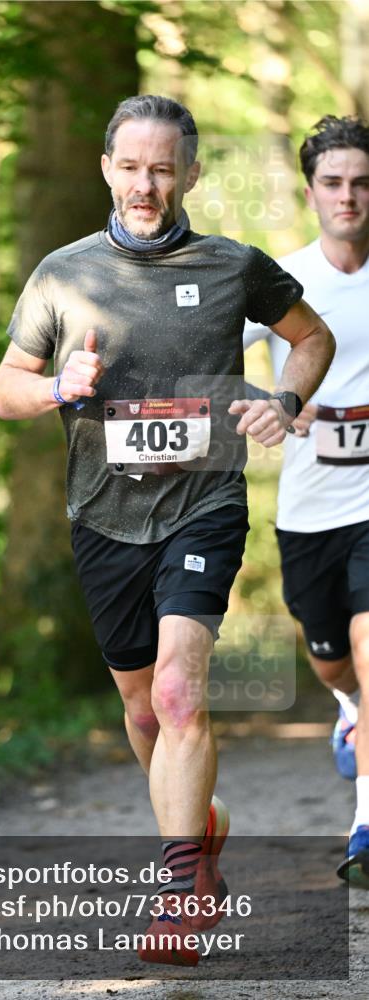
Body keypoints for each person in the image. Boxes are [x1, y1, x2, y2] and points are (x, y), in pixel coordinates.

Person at [0, 94, 335, 965]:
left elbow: (311, 338)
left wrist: (282, 400)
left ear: (190, 172)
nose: (145, 186)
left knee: (180, 693)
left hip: (204, 503)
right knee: (143, 709)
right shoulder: (62, 274)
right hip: (102, 515)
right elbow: (3, 391)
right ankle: (198, 830)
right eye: (130, 167)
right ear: (106, 168)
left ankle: (179, 892)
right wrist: (58, 388)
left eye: (162, 168)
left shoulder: (231, 267)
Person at [244, 114, 369, 889]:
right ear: (310, 192)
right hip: (308, 511)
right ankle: (347, 707)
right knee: (332, 663)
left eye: (361, 183)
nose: (347, 196)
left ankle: (363, 828)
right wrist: (274, 404)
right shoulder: (280, 282)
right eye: (333, 183)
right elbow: (211, 368)